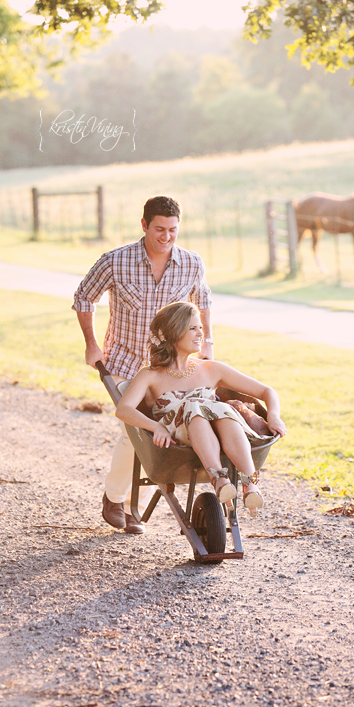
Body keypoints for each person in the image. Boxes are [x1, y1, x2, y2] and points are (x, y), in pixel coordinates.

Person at [73, 196, 213, 534]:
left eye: (173, 230)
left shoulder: (192, 263)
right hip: (124, 360)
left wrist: (207, 344)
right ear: (144, 225)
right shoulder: (116, 261)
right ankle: (117, 499)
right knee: (134, 430)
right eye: (160, 229)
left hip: (168, 366)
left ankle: (139, 502)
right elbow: (83, 297)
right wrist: (92, 345)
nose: (166, 236)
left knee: (168, 429)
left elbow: (203, 302)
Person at [115, 302, 287, 516]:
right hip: (176, 440)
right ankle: (219, 478)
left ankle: (249, 482)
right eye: (192, 328)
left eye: (200, 328)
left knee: (220, 408)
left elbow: (267, 391)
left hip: (219, 433)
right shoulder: (150, 375)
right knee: (195, 405)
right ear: (174, 332)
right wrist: (155, 427)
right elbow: (124, 409)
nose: (201, 334)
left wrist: (274, 416)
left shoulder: (212, 369)